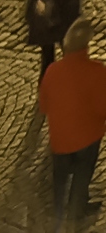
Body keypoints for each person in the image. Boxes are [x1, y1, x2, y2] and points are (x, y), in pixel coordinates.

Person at [53, 22, 106, 229]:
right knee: (83, 173)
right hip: (86, 138)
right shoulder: (97, 71)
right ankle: (75, 215)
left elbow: (45, 104)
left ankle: (63, 213)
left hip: (60, 139)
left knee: (60, 177)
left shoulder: (53, 71)